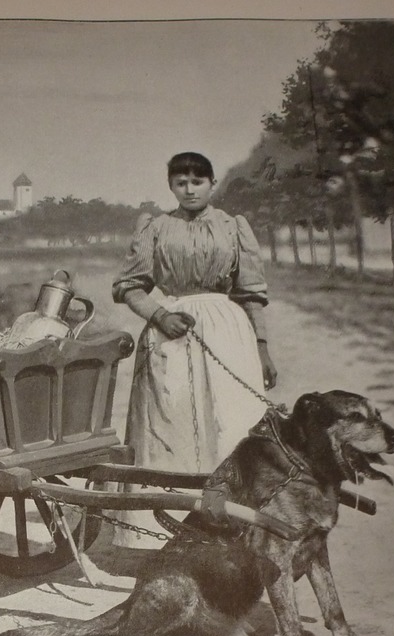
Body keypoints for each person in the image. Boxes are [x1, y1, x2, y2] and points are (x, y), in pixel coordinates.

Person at [111, 152, 279, 547]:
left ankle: (238, 526)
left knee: (233, 425)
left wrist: (262, 347)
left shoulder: (232, 228)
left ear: (211, 183)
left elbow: (251, 293)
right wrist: (157, 315)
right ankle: (164, 534)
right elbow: (128, 287)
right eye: (181, 182)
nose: (189, 189)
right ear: (171, 185)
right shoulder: (156, 228)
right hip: (171, 333)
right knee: (173, 428)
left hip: (227, 332)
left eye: (197, 181)